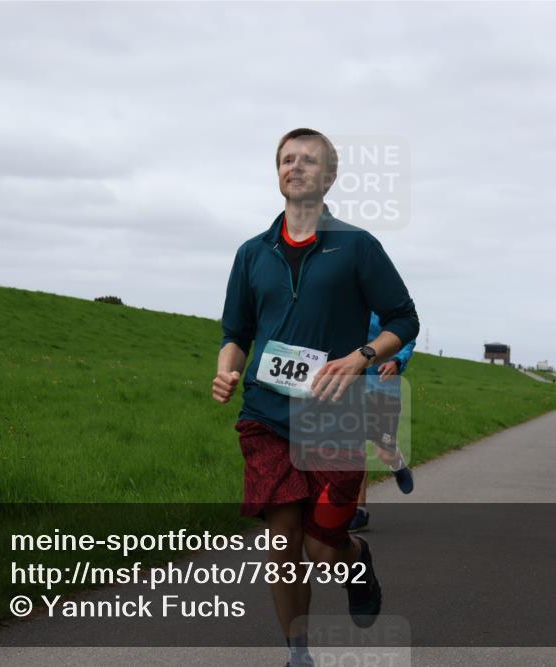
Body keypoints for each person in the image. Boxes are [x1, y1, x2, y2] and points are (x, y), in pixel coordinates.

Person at [212, 128, 418, 667]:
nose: (295, 166)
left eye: (308, 160)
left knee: (323, 551)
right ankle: (297, 654)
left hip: (334, 419)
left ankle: (357, 559)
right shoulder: (252, 253)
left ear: (329, 177)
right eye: (286, 159)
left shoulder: (358, 246)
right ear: (276, 172)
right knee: (282, 547)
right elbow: (236, 331)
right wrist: (227, 372)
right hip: (267, 412)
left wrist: (360, 358)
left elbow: (404, 318)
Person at [349, 312, 416, 533]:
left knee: (383, 453)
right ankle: (359, 510)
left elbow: (407, 335)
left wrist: (397, 360)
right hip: (352, 387)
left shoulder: (386, 304)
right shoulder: (347, 301)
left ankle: (396, 462)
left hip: (383, 388)